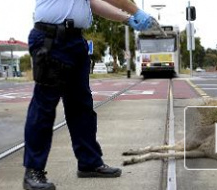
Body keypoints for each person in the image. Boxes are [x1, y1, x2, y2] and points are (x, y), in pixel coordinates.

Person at [23, 0, 153, 190]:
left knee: (81, 107)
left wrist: (127, 19)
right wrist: (135, 10)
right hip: (51, 39)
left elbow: (92, 2)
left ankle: (89, 162)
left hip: (75, 41)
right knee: (44, 106)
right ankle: (33, 170)